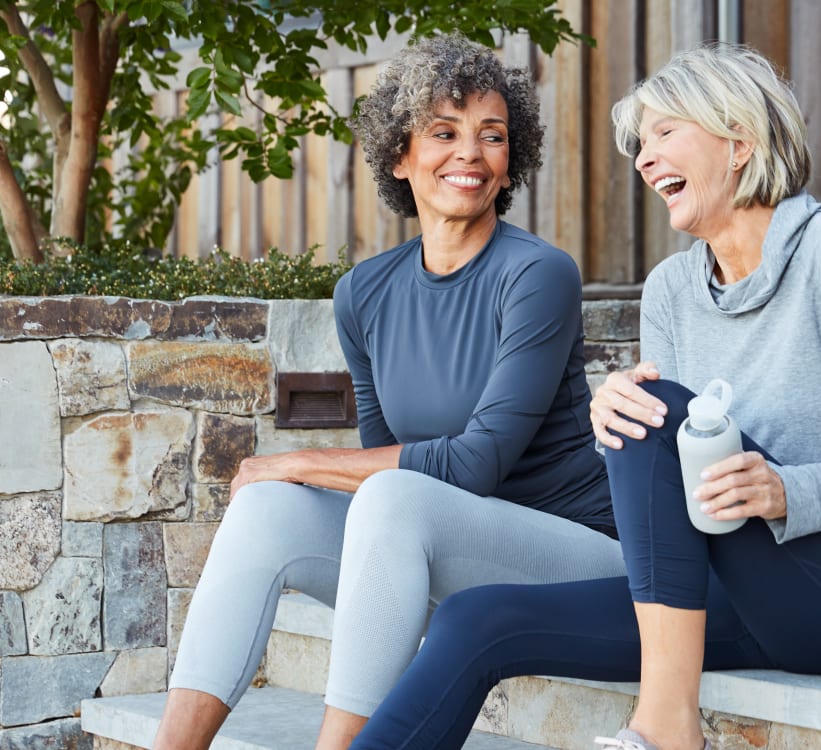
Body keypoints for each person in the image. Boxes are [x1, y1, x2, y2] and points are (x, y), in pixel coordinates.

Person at [346, 44, 821, 750]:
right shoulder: (669, 289)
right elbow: (670, 479)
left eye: (665, 133)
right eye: (640, 143)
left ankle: (665, 729)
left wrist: (788, 491)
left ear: (740, 141)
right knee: (474, 622)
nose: (644, 157)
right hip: (727, 586)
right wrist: (610, 418)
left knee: (653, 416)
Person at [151, 33, 628, 750]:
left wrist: (296, 460)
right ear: (400, 156)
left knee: (356, 490)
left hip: (580, 559)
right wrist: (282, 481)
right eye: (444, 132)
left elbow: (474, 466)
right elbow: (389, 457)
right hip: (448, 556)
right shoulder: (364, 293)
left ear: (510, 162)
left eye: (491, 136)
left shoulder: (538, 275)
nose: (469, 152)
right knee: (265, 509)